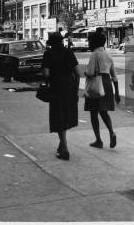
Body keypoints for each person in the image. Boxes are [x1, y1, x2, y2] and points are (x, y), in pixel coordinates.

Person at [42, 32, 80, 160]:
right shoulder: (69, 52)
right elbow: (78, 73)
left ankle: (64, 148)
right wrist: (75, 89)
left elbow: (46, 73)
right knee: (66, 116)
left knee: (58, 117)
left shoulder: (48, 54)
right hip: (69, 86)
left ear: (51, 43)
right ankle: (61, 145)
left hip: (56, 87)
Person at [84, 32, 120, 149]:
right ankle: (111, 132)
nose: (88, 43)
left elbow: (90, 73)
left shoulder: (94, 54)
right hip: (107, 83)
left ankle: (98, 140)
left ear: (94, 42)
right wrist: (117, 93)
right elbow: (114, 76)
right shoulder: (108, 55)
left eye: (89, 41)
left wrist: (86, 73)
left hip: (96, 83)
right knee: (104, 111)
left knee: (93, 113)